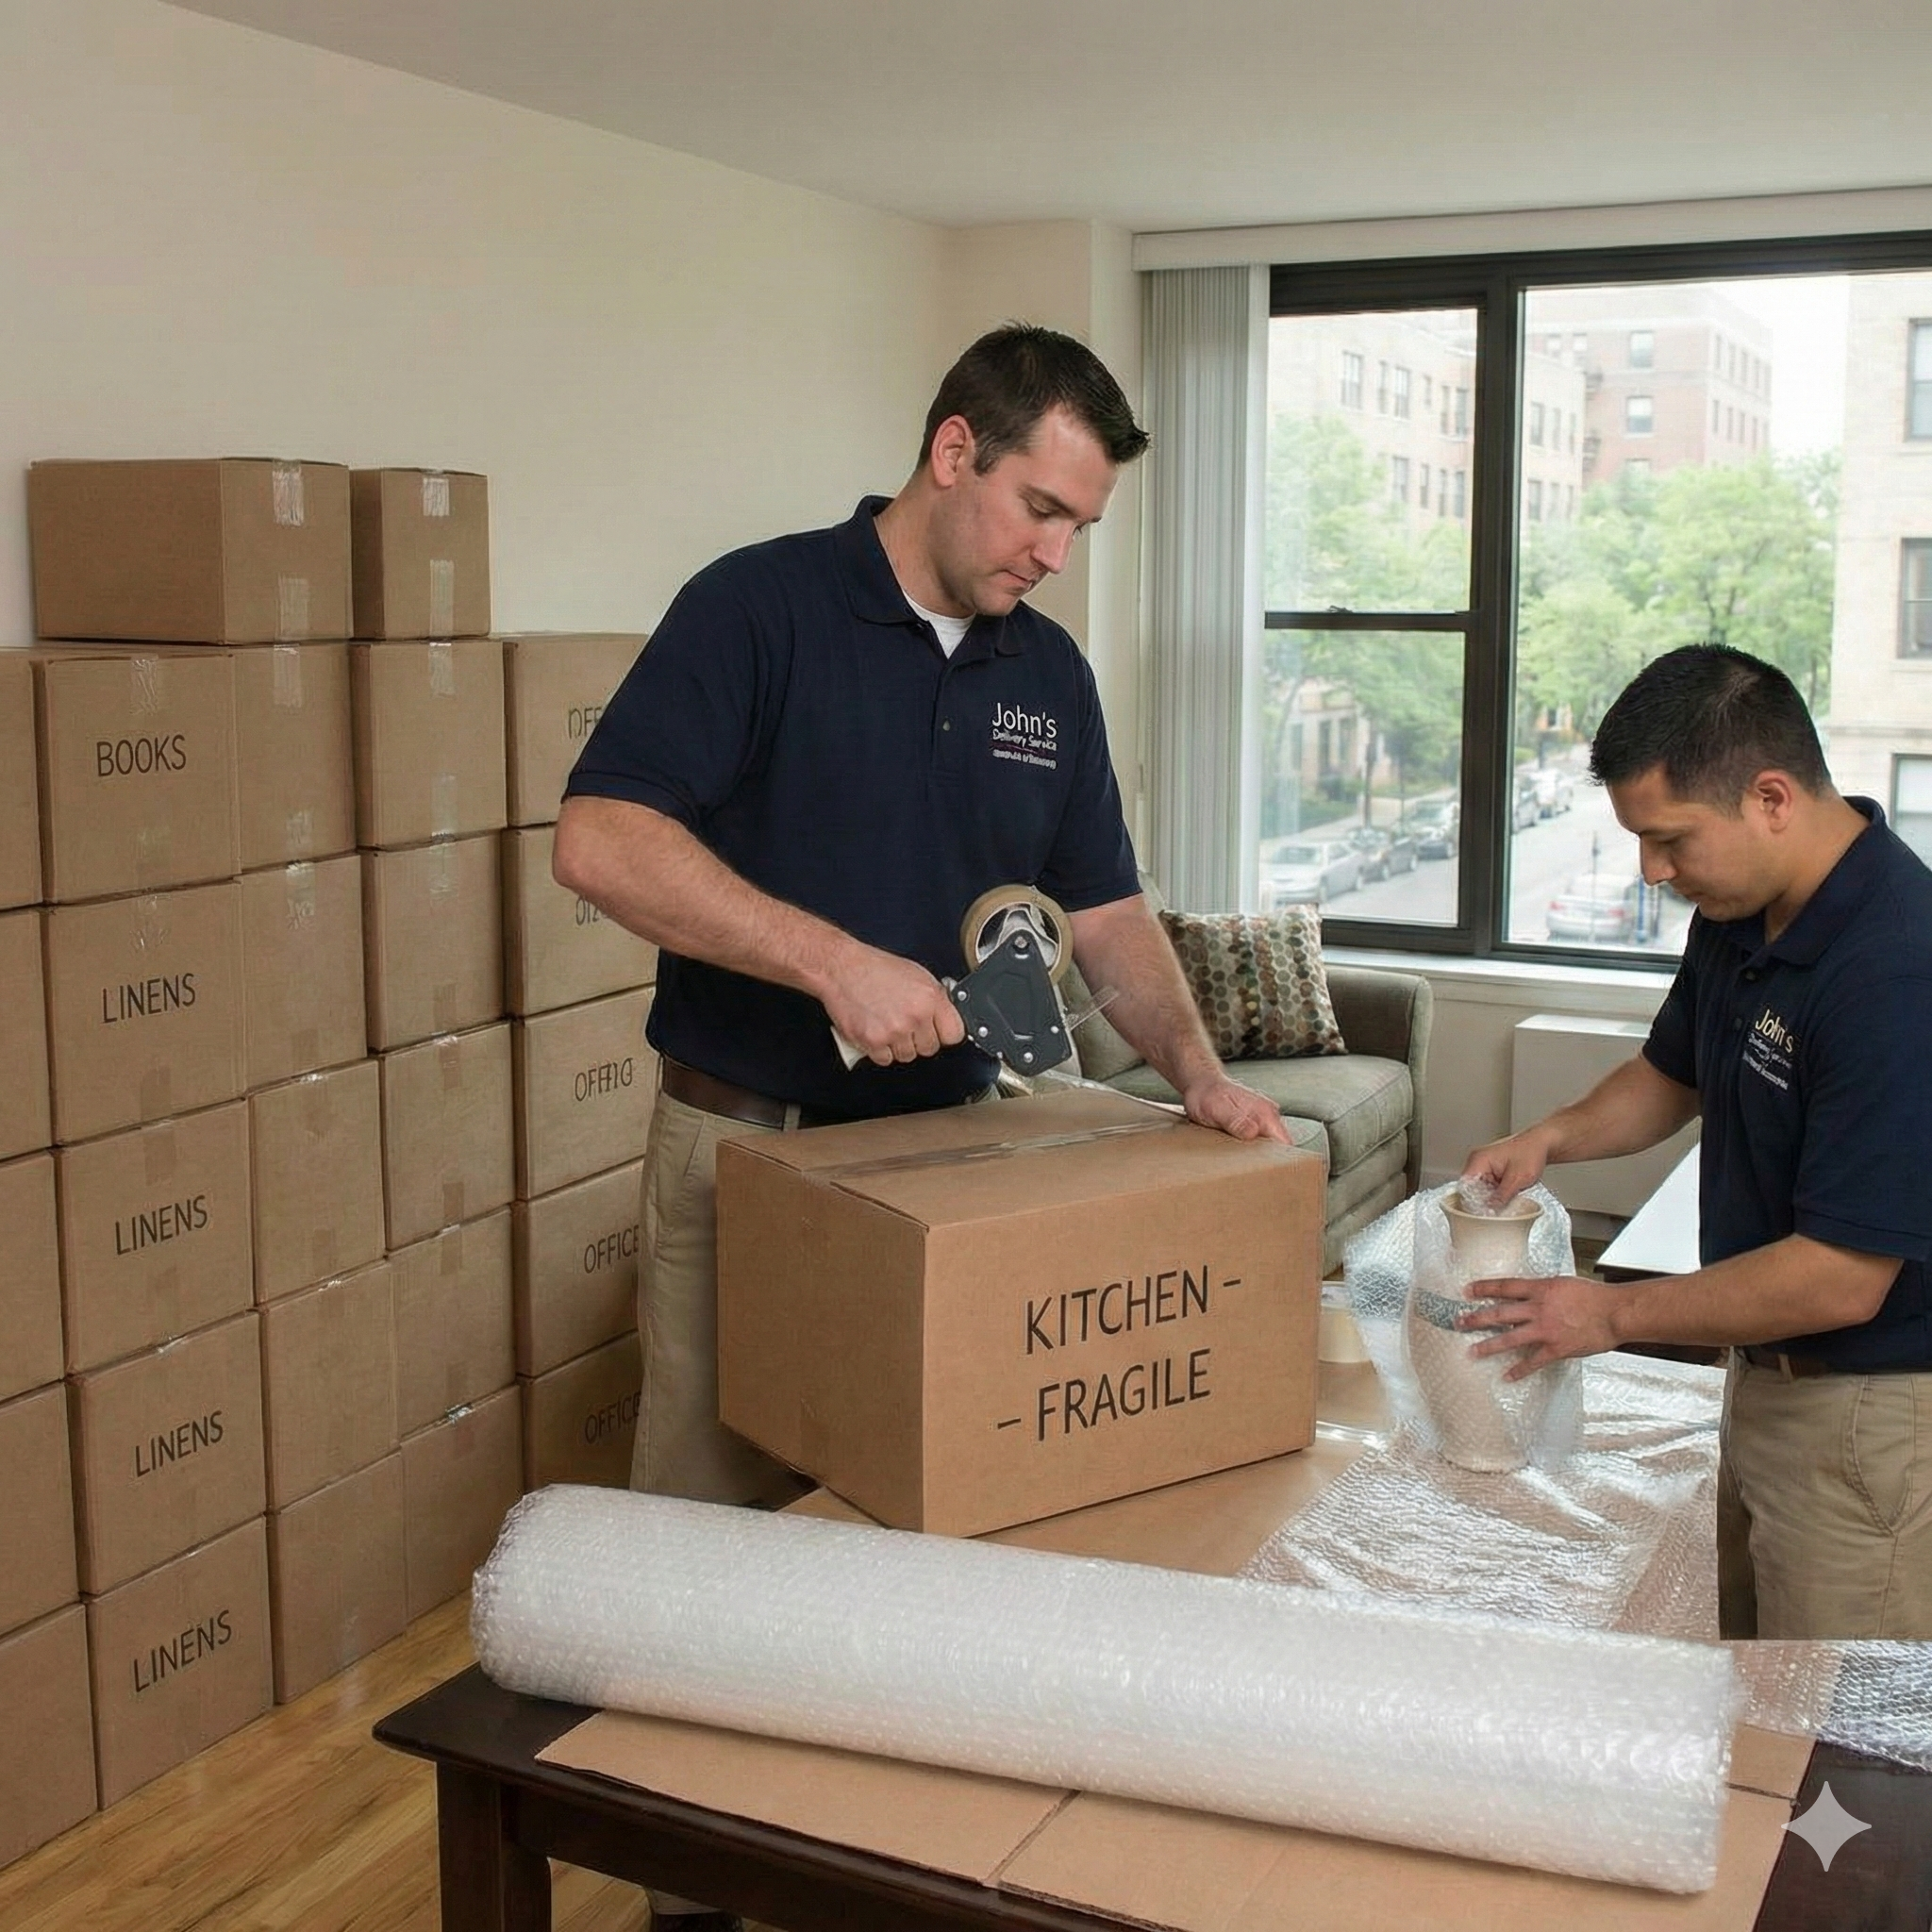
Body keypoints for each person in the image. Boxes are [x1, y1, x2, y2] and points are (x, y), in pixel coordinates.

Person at [556, 322, 1291, 1511]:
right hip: (746, 1146)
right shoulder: (758, 605)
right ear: (954, 450)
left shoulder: (1050, 677)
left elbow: (1104, 908)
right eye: (1039, 508)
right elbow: (598, 841)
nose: (1055, 553)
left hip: (951, 1152)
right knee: (711, 1510)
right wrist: (831, 962)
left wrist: (1195, 1074)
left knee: (919, 1501)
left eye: (1079, 528)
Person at [1461, 643, 1932, 1641]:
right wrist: (1548, 1136)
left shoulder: (1893, 967)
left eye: (1669, 838)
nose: (1651, 869)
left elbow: (1841, 1277)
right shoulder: (1740, 908)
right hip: (1763, 1376)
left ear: (1770, 796)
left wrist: (1606, 1312)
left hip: (1866, 1407)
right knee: (1749, 1666)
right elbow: (1667, 1075)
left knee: (1829, 1727)